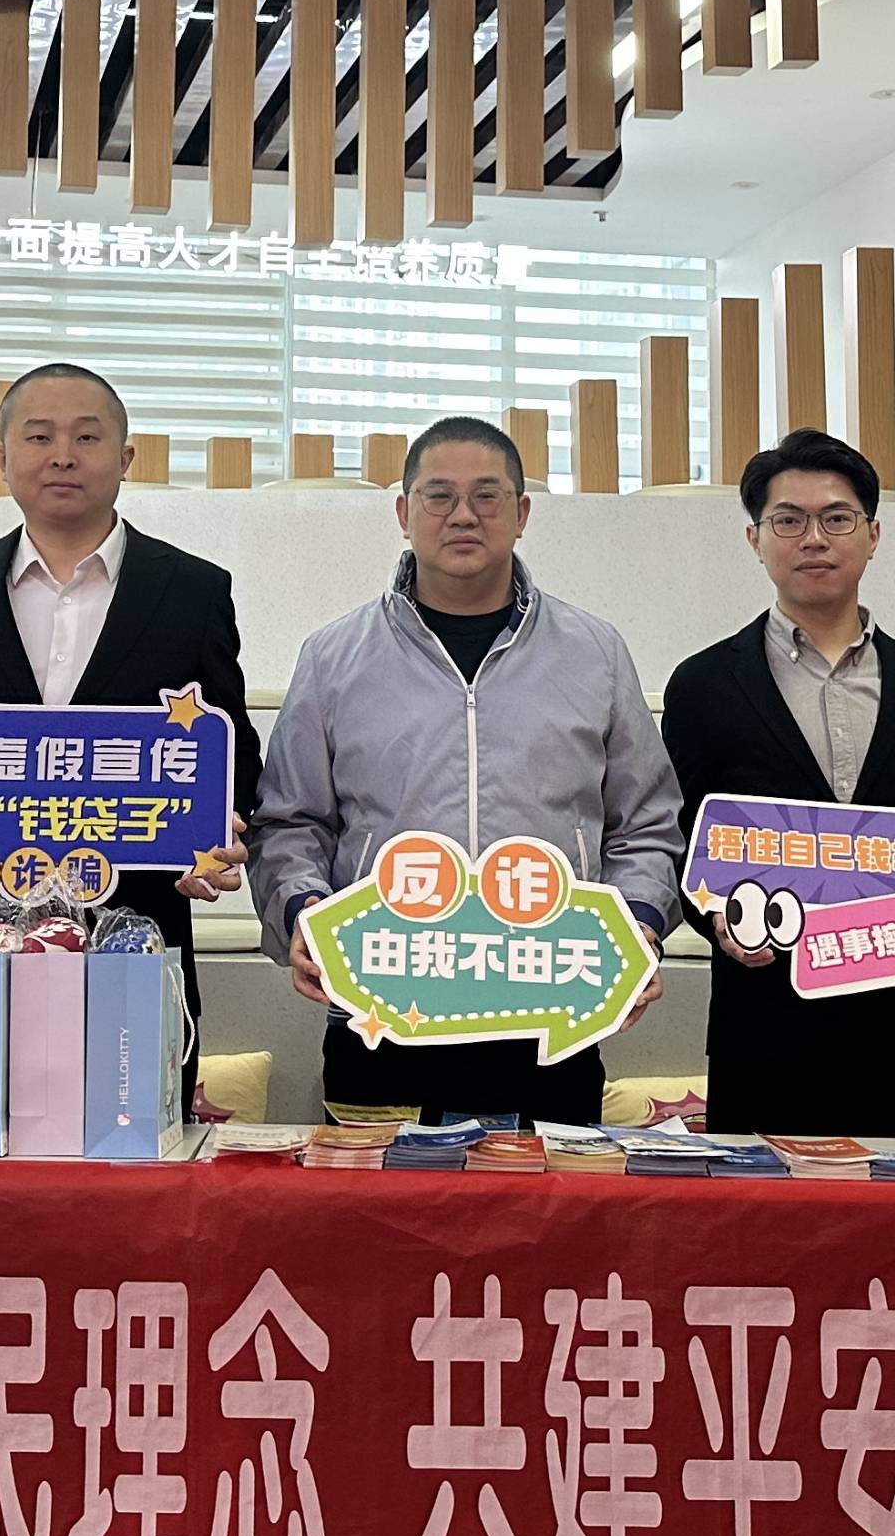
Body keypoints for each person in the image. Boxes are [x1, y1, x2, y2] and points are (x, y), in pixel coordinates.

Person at [251, 417, 682, 1124]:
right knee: (379, 1198)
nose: (462, 515)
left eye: (487, 496)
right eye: (439, 496)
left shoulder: (595, 653)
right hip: (381, 1005)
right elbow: (291, 821)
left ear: (522, 513)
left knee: (547, 1197)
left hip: (551, 1006)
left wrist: (637, 923)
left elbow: (647, 824)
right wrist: (304, 911)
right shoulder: (333, 657)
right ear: (403, 512)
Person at [0, 363, 257, 1057]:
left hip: (137, 928)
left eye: (87, 437)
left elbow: (230, 749)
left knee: (132, 1111)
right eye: (39, 437)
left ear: (125, 459)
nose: (62, 455)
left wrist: (219, 833)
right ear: (1, 458)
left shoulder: (192, 589)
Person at [660, 428, 895, 1136]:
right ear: (755, 539)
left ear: (872, 535)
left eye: (837, 518)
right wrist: (717, 919)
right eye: (788, 520)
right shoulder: (703, 684)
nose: (814, 539)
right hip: (764, 1024)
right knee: (765, 1208)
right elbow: (680, 842)